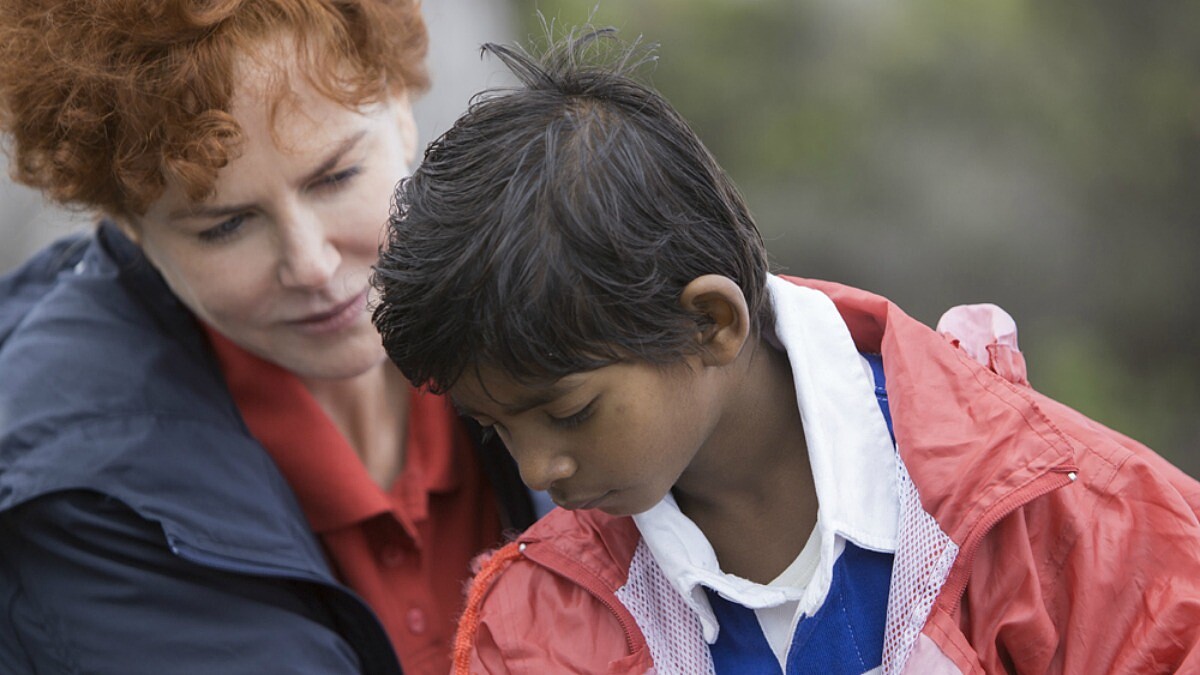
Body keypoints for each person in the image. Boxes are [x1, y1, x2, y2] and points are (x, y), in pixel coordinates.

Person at [371, 26, 1200, 674]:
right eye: (498, 428)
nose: (536, 468)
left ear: (711, 323)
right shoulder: (535, 623)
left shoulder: (1052, 509)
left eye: (568, 411)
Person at [0, 2, 536, 673]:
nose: (310, 264)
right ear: (128, 227)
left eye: (336, 176)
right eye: (225, 225)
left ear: (401, 111)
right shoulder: (76, 496)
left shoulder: (563, 307)